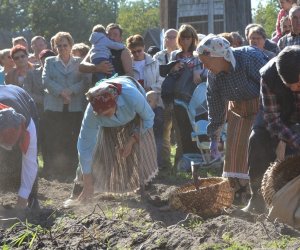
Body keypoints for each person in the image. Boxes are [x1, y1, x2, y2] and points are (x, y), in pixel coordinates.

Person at [196, 34, 268, 203]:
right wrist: (214, 135)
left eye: (205, 62)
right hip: (237, 111)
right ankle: (237, 193)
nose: (204, 67)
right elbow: (214, 104)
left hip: (262, 108)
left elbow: (270, 84)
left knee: (256, 150)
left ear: (218, 57)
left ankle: (258, 193)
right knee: (235, 152)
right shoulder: (213, 76)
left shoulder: (249, 57)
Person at [65, 76, 158, 203]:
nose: (106, 117)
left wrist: (131, 140)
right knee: (98, 150)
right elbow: (84, 145)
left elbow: (149, 119)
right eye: (102, 115)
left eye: (107, 113)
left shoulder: (132, 96)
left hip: (135, 118)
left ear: (115, 102)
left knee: (139, 148)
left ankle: (144, 186)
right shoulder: (91, 112)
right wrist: (88, 181)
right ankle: (79, 189)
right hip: (107, 127)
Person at [244, 45, 300, 213]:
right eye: (288, 85)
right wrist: (291, 140)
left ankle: (293, 202)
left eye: (297, 84)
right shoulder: (269, 75)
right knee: (257, 139)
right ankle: (257, 199)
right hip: (278, 115)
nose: (293, 89)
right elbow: (273, 120)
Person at [42, 32, 86, 180]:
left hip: (74, 106)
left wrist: (71, 91)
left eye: (65, 45)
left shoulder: (80, 62)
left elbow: (85, 81)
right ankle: (56, 171)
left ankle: (71, 171)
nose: (62, 48)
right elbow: (46, 80)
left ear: (71, 45)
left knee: (73, 139)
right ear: (55, 47)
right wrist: (61, 92)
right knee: (56, 138)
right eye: (58, 45)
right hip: (55, 107)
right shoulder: (49, 61)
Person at [168, 24, 207, 162]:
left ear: (193, 38)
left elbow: (207, 72)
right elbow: (169, 74)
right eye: (182, 38)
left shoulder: (199, 54)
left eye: (188, 38)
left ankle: (200, 156)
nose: (185, 41)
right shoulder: (174, 54)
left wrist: (199, 72)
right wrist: (174, 69)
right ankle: (186, 157)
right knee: (182, 128)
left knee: (196, 126)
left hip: (195, 97)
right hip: (178, 96)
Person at [0, 85, 39, 209]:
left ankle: (31, 198)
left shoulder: (28, 125)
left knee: (30, 156)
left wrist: (21, 203)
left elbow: (30, 163)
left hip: (23, 98)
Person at [153, 28, 178, 169]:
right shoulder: (158, 56)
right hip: (164, 97)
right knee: (165, 130)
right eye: (167, 37)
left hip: (180, 96)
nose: (168, 39)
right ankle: (165, 162)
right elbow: (158, 77)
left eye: (172, 37)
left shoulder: (182, 55)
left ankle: (181, 162)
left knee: (181, 131)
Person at [146, 90, 164, 167]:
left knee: (157, 150)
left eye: (149, 101)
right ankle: (151, 165)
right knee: (149, 151)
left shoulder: (158, 111)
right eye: (146, 101)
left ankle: (158, 165)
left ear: (156, 102)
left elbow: (159, 122)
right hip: (150, 136)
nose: (147, 104)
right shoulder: (147, 111)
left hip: (157, 135)